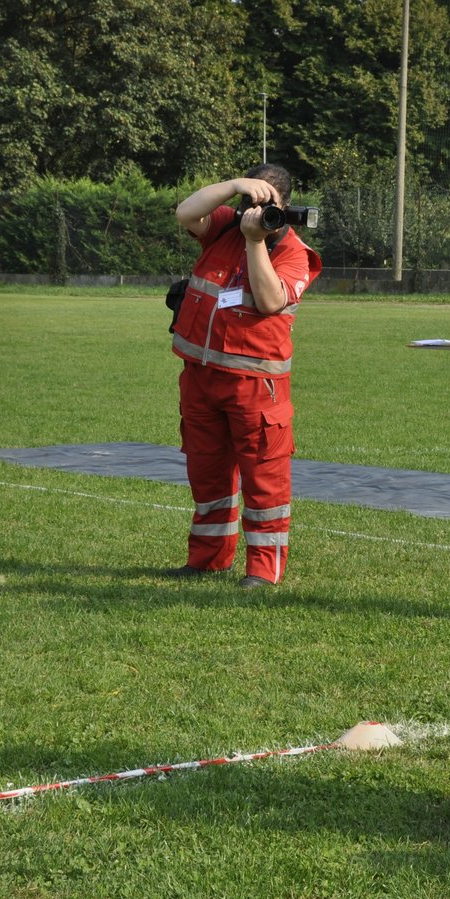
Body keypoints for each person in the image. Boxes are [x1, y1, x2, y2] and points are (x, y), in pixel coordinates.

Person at [170, 165, 321, 588]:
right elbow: (186, 213)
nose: (255, 211)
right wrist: (236, 186)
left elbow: (271, 299)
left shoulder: (294, 252)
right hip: (201, 376)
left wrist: (255, 242)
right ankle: (207, 559)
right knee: (208, 473)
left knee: (264, 482)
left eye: (267, 204)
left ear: (285, 207)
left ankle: (262, 570)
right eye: (248, 203)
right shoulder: (224, 226)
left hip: (257, 385)